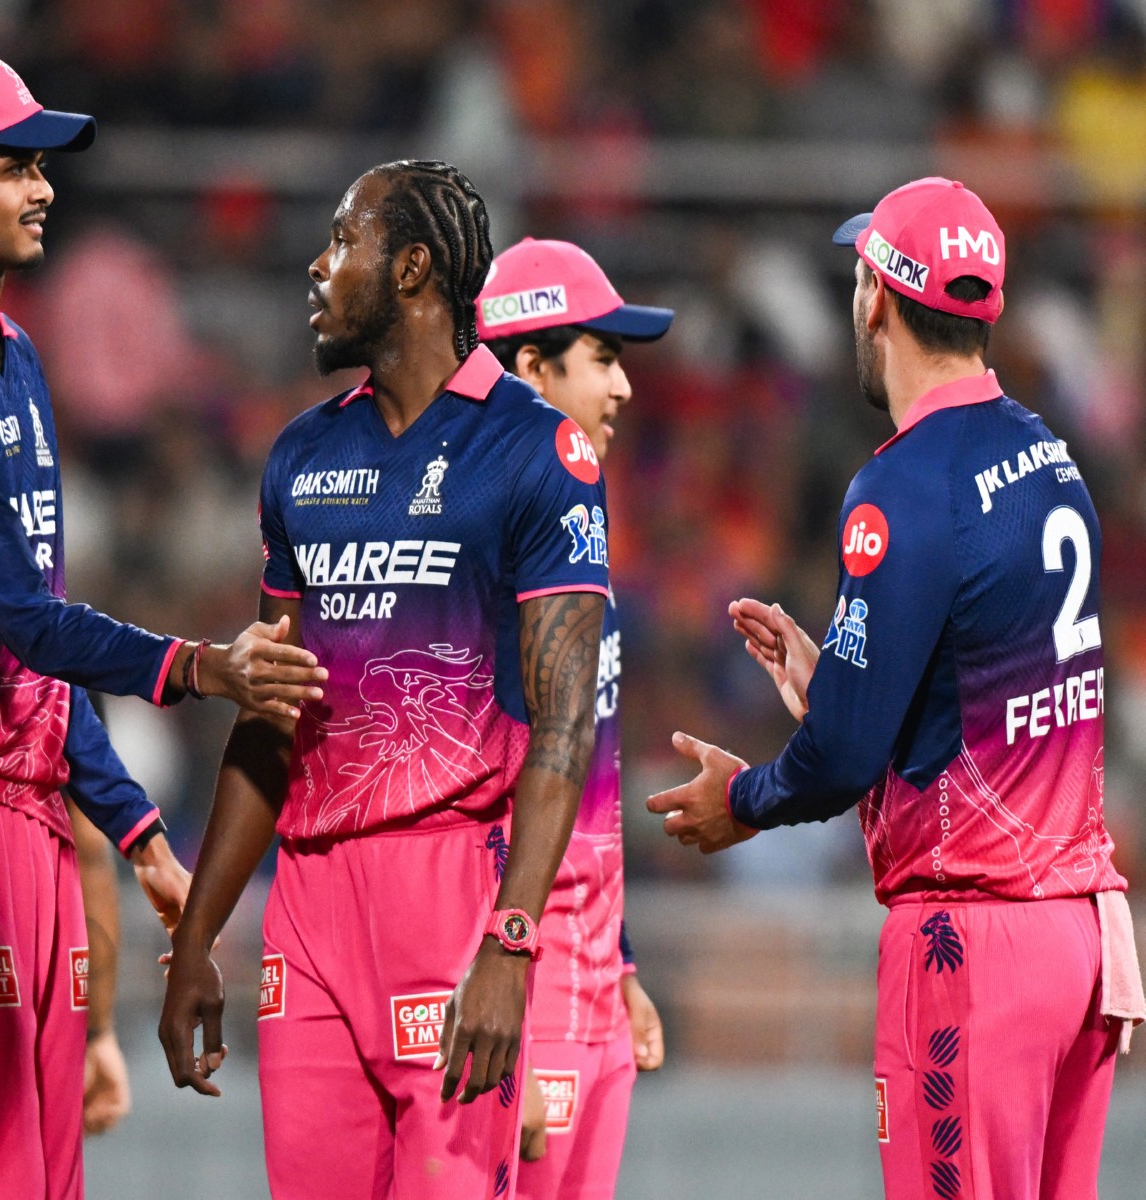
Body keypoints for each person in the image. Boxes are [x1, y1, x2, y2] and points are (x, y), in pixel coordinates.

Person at [0, 49, 325, 1200]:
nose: (44, 187)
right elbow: (17, 622)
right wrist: (202, 668)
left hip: (26, 822)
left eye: (41, 166)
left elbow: (39, 658)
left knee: (37, 1176)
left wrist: (140, 836)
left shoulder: (14, 357)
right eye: (16, 167)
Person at [648, 177, 1145, 1198]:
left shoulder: (904, 484)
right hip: (1082, 940)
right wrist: (841, 684)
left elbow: (841, 758)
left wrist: (743, 800)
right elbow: (965, 694)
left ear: (876, 297)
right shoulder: (1049, 458)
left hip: (973, 942)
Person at [160, 161, 610, 1200]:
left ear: (411, 270)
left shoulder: (538, 449)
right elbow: (271, 716)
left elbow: (564, 723)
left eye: (341, 241)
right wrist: (195, 940)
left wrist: (511, 944)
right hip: (308, 908)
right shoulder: (300, 457)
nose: (317, 267)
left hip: (452, 895)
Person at [477, 237, 669, 1199]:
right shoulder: (478, 556)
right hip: (521, 979)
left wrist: (621, 964)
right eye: (603, 358)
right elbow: (467, 801)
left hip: (593, 984)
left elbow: (588, 785)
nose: (624, 386)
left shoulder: (577, 536)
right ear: (530, 367)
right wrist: (504, 1005)